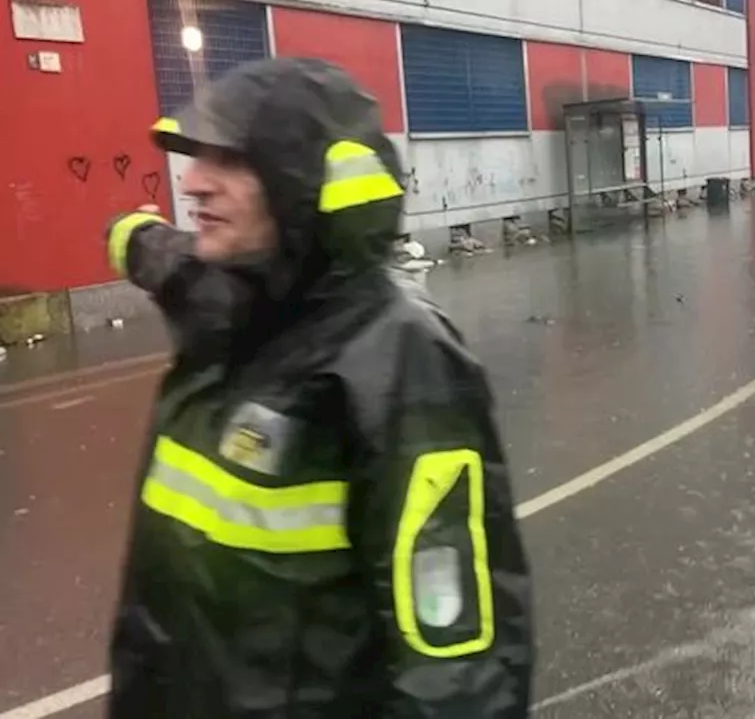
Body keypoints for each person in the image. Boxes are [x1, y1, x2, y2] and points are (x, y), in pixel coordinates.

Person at [103, 57, 534, 717]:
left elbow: (456, 668)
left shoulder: (397, 358)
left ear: (303, 186)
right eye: (196, 160)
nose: (193, 184)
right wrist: (130, 238)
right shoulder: (230, 311)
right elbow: (166, 259)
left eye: (231, 162)